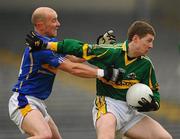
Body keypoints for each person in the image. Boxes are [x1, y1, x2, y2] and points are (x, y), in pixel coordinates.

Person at [26, 20, 173, 139]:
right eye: (149, 41)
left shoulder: (146, 64)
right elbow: (79, 48)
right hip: (108, 106)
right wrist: (46, 44)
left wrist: (154, 104)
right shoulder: (110, 51)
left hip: (130, 112)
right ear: (135, 38)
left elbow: (155, 92)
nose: (151, 46)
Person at [8, 7, 124, 139]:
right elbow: (72, 68)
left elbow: (75, 58)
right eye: (54, 20)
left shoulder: (48, 44)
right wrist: (103, 73)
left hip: (37, 102)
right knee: (44, 135)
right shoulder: (41, 49)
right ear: (40, 25)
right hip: (24, 100)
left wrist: (98, 47)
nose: (58, 24)